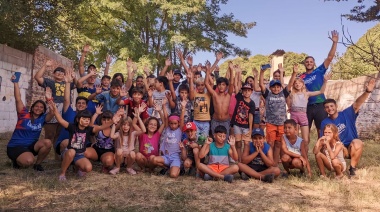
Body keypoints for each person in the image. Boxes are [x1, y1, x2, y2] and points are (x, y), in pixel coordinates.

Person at [320, 78, 375, 176]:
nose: (330, 108)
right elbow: (323, 139)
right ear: (324, 110)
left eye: (331, 106)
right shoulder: (325, 122)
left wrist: (368, 91)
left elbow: (357, 103)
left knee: (357, 142)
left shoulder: (347, 113)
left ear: (336, 106)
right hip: (336, 149)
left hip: (350, 147)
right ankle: (338, 169)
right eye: (327, 107)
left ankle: (352, 168)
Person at [50, 104, 120, 181]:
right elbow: (60, 120)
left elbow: (101, 127)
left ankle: (78, 167)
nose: (86, 121)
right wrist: (55, 110)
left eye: (88, 119)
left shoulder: (89, 129)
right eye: (84, 119)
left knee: (88, 168)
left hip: (79, 155)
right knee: (72, 152)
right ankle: (62, 173)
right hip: (69, 152)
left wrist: (112, 121)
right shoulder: (72, 127)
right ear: (78, 119)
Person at [7, 75, 54, 171]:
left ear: (43, 110)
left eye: (41, 107)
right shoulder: (23, 114)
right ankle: (17, 161)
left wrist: (49, 100)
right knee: (28, 161)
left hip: (31, 146)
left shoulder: (43, 118)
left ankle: (37, 165)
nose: (38, 108)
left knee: (48, 143)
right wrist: (15, 82)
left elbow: (53, 112)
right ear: (32, 108)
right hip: (16, 146)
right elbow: (18, 99)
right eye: (37, 106)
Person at [299, 30, 339, 136]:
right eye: (307, 62)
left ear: (314, 63)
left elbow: (330, 58)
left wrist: (334, 42)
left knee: (321, 131)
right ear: (304, 64)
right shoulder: (300, 77)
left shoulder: (319, 71)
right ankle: (304, 152)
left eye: (311, 62)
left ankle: (321, 152)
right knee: (305, 133)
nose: (309, 63)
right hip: (306, 106)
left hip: (321, 104)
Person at [259, 64, 297, 166]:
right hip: (271, 123)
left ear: (280, 87)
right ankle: (269, 162)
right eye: (274, 87)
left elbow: (290, 84)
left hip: (281, 124)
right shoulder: (268, 94)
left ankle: (274, 164)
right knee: (270, 143)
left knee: (278, 144)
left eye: (277, 86)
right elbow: (261, 84)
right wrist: (262, 72)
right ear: (270, 88)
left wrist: (294, 73)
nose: (276, 88)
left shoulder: (283, 93)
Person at [34, 59, 75, 149]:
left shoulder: (68, 83)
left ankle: (57, 156)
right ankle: (45, 152)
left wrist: (73, 77)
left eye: (62, 72)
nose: (60, 73)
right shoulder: (49, 82)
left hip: (65, 108)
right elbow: (37, 77)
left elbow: (78, 84)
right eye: (57, 71)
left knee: (60, 134)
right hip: (53, 107)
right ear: (53, 73)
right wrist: (45, 65)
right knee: (50, 134)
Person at [289, 65, 330, 150]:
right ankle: (296, 154)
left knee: (306, 139)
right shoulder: (292, 94)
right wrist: (294, 73)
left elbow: (321, 91)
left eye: (299, 83)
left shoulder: (306, 94)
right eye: (295, 83)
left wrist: (325, 81)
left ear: (303, 84)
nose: (297, 84)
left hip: (303, 116)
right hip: (294, 116)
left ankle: (305, 156)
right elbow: (286, 85)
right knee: (294, 137)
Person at [55, 70, 88, 160]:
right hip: (65, 143)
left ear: (86, 106)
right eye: (79, 103)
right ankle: (65, 159)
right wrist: (68, 83)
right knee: (66, 143)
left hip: (80, 145)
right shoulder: (69, 112)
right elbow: (66, 100)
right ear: (76, 105)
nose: (81, 105)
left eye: (83, 103)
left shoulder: (87, 118)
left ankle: (77, 162)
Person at [150, 102, 186, 178]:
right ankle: (167, 167)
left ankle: (179, 167)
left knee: (173, 175)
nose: (173, 125)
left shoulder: (180, 130)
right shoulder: (167, 128)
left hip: (175, 157)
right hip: (166, 156)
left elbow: (182, 118)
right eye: (171, 123)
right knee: (153, 160)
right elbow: (166, 117)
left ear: (178, 123)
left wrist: (183, 108)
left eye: (175, 123)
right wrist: (162, 107)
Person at [110, 105, 146, 175]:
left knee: (132, 153)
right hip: (119, 156)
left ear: (130, 126)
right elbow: (112, 136)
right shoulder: (118, 133)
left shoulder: (133, 134)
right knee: (119, 150)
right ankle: (117, 167)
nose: (125, 127)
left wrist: (138, 117)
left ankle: (129, 167)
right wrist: (114, 124)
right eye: (123, 125)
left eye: (128, 125)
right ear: (120, 126)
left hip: (129, 156)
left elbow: (144, 130)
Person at [205, 52, 234, 138]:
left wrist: (232, 71)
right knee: (215, 139)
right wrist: (207, 71)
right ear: (217, 86)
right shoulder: (214, 94)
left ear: (226, 86)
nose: (221, 86)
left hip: (225, 121)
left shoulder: (228, 95)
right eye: (219, 84)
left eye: (223, 85)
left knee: (224, 140)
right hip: (215, 120)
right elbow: (206, 83)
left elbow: (232, 83)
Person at [135, 106, 166, 172]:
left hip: (152, 160)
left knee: (152, 157)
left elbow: (164, 123)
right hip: (143, 159)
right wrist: (138, 115)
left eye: (155, 125)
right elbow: (134, 124)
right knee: (137, 155)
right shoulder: (142, 134)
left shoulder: (157, 134)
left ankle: (151, 169)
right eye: (151, 124)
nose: (153, 126)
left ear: (157, 127)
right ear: (147, 125)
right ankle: (142, 168)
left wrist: (160, 111)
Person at [231, 83, 255, 162]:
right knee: (238, 143)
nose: (246, 92)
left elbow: (251, 116)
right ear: (242, 91)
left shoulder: (252, 103)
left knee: (246, 143)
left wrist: (250, 128)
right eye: (245, 90)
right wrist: (237, 73)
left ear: (251, 92)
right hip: (237, 124)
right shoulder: (239, 98)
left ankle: (245, 159)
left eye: (248, 91)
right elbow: (236, 86)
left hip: (246, 126)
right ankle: (239, 160)